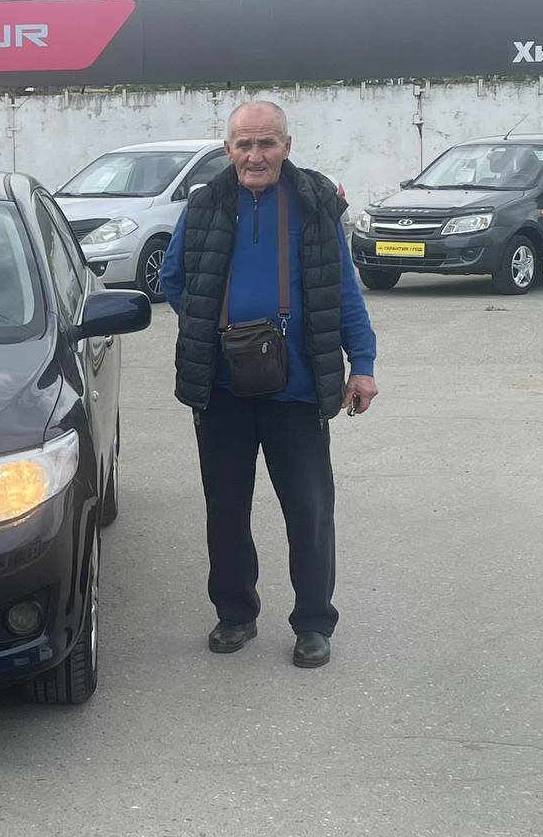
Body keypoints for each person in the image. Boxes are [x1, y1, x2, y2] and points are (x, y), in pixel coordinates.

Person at [158, 101, 378, 669]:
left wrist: (363, 363)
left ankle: (313, 623)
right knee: (225, 508)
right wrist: (221, 325)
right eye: (244, 144)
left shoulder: (314, 204)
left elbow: (342, 292)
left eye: (267, 143)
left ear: (286, 145)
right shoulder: (204, 206)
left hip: (298, 390)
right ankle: (235, 614)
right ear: (227, 149)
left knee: (309, 510)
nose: (255, 156)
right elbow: (175, 279)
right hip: (221, 388)